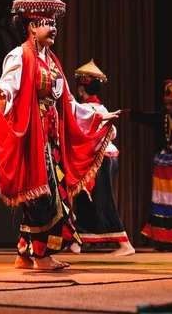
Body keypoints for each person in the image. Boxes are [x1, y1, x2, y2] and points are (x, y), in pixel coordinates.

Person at [0, 0, 120, 270]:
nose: (53, 28)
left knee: (44, 195)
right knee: (42, 196)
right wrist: (0, 95)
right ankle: (41, 256)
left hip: (51, 138)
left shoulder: (53, 61)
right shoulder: (20, 56)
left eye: (54, 22)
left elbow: (67, 102)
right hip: (33, 137)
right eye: (47, 23)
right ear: (32, 27)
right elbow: (10, 87)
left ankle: (24, 253)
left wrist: (97, 118)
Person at [67, 59, 135, 256]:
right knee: (86, 199)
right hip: (109, 157)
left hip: (100, 160)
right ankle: (77, 239)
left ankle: (125, 244)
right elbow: (112, 132)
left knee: (103, 200)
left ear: (81, 90)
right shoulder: (102, 109)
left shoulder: (84, 109)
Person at [125, 80, 172, 252]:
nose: (167, 106)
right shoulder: (163, 116)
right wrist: (128, 114)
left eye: (170, 103)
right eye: (166, 103)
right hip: (163, 167)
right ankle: (163, 240)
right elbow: (146, 117)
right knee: (162, 202)